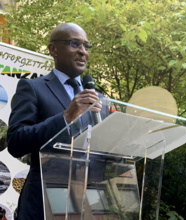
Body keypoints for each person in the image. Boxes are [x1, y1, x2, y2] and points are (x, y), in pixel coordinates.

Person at [7, 23, 108, 220]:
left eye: (86, 46)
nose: (82, 52)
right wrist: (65, 116)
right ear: (53, 49)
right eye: (74, 44)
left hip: (89, 203)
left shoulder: (100, 100)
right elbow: (15, 141)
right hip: (44, 202)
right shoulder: (33, 87)